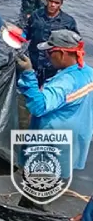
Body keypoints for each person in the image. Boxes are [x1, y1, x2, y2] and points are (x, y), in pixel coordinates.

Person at [16, 30, 93, 174]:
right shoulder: (89, 73)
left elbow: (39, 107)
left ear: (62, 53)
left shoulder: (65, 82)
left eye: (50, 52)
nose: (47, 56)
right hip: (73, 145)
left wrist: (27, 74)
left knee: (37, 191)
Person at [26, 0, 78, 87]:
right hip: (33, 61)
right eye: (51, 1)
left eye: (56, 2)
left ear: (61, 3)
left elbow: (75, 46)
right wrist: (20, 36)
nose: (53, 5)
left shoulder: (68, 22)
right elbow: (27, 32)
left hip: (53, 67)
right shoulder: (36, 15)